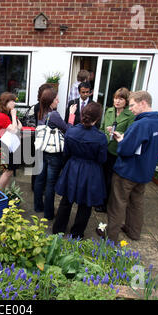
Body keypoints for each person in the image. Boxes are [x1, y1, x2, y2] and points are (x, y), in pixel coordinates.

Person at [106, 91, 158, 244]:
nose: (130, 109)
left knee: (117, 204)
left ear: (143, 103)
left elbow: (125, 150)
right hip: (144, 172)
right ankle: (133, 231)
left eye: (132, 105)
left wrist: (121, 141)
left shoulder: (140, 124)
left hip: (127, 172)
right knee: (136, 203)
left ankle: (110, 237)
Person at [53, 102, 107, 239]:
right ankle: (77, 233)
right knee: (85, 204)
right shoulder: (101, 137)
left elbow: (66, 153)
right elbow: (102, 159)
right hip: (90, 171)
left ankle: (58, 229)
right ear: (98, 118)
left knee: (66, 200)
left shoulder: (71, 131)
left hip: (73, 167)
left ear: (82, 115)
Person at [33, 88, 75, 220]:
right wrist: (72, 115)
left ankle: (38, 206)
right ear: (51, 101)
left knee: (40, 179)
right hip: (53, 153)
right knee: (51, 183)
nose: (59, 100)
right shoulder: (54, 115)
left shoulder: (41, 111)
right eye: (57, 99)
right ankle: (49, 213)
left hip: (42, 150)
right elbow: (68, 129)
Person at [94, 88, 135, 213]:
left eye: (121, 99)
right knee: (100, 176)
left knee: (110, 179)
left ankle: (105, 204)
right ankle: (98, 199)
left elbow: (129, 134)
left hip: (116, 151)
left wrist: (117, 132)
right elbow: (101, 128)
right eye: (116, 98)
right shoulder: (109, 111)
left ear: (126, 101)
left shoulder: (130, 115)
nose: (117, 101)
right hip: (104, 148)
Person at [0, 92, 22, 190]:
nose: (14, 104)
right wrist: (14, 116)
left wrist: (14, 121)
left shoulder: (9, 113)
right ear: (5, 102)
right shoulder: (1, 116)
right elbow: (15, 129)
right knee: (8, 170)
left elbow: (20, 126)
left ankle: (6, 191)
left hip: (12, 144)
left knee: (10, 170)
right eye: (12, 101)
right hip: (6, 145)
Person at [31, 83, 54, 191]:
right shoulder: (39, 106)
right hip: (40, 139)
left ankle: (36, 186)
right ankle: (36, 186)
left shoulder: (40, 105)